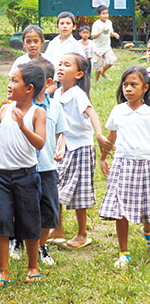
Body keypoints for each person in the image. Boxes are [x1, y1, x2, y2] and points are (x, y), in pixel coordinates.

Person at [0, 63, 47, 288]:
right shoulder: (5, 109)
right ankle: (3, 270)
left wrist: (23, 126)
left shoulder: (37, 112)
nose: (9, 84)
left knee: (30, 222)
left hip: (27, 176)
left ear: (29, 88)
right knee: (2, 221)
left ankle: (33, 266)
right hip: (2, 177)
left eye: (15, 80)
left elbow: (40, 143)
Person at [47, 53, 112, 248]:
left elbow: (91, 112)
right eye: (60, 63)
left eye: (67, 65)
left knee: (79, 193)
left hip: (82, 147)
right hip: (64, 146)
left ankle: (82, 233)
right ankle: (57, 229)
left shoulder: (77, 94)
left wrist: (99, 135)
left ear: (79, 74)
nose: (60, 67)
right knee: (55, 186)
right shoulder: (57, 93)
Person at [9, 59, 67, 265]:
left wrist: (60, 149)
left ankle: (42, 246)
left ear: (48, 82)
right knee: (21, 207)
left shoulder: (56, 107)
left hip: (47, 168)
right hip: (23, 168)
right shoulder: (19, 107)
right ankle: (17, 240)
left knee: (49, 210)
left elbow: (61, 135)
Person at [99, 66, 150, 268]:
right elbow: (111, 139)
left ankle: (147, 232)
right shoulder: (118, 111)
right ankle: (124, 251)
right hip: (122, 163)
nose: (128, 88)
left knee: (148, 207)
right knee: (121, 209)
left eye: (133, 85)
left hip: (146, 163)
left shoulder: (148, 113)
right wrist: (103, 158)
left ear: (145, 88)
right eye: (125, 84)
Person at [43, 11, 86, 94]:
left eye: (68, 23)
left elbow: (81, 61)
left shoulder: (75, 44)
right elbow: (46, 59)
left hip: (68, 80)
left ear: (74, 27)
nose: (65, 26)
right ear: (57, 27)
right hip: (53, 79)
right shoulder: (53, 43)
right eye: (62, 23)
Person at [92, 5, 119, 82]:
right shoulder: (96, 24)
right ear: (98, 15)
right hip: (98, 48)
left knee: (112, 60)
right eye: (103, 14)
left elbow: (110, 32)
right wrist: (101, 32)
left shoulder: (109, 22)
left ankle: (103, 72)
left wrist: (114, 34)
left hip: (107, 47)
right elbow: (93, 36)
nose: (105, 15)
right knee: (98, 66)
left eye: (107, 13)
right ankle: (96, 81)